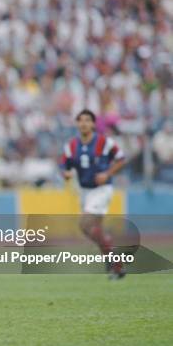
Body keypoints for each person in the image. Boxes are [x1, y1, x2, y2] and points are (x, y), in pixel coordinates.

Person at [60, 109, 126, 279]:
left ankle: (114, 260)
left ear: (93, 124)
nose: (84, 123)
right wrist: (66, 174)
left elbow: (121, 158)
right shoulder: (71, 145)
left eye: (87, 120)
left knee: (84, 224)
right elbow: (64, 166)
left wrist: (108, 174)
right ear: (77, 123)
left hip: (101, 190)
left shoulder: (105, 142)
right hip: (84, 191)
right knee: (93, 230)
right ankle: (114, 264)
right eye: (80, 120)